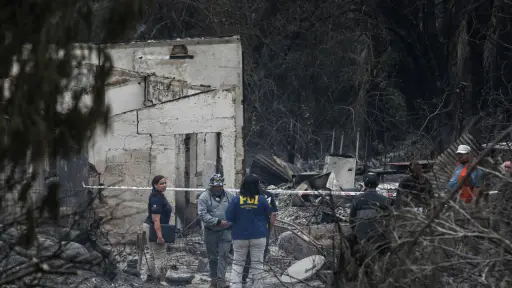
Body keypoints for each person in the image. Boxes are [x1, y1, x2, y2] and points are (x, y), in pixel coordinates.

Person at [226, 175, 271, 288]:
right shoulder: (262, 199)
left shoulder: (236, 200)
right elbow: (268, 214)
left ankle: (236, 286)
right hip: (259, 236)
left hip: (240, 236)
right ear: (257, 186)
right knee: (257, 265)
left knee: (238, 264)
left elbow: (229, 217)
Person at [197, 174, 234, 288]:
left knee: (223, 255)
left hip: (226, 231)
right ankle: (214, 279)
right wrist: (217, 221)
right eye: (215, 186)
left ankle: (221, 280)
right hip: (211, 231)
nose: (217, 188)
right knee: (213, 257)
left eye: (219, 186)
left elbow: (235, 210)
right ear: (211, 186)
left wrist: (231, 222)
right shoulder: (204, 197)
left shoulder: (230, 196)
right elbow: (202, 215)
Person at [349, 173, 391, 267]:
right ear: (377, 184)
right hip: (379, 237)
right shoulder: (384, 200)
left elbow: (352, 220)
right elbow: (389, 219)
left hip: (362, 237)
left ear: (364, 184)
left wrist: (356, 233)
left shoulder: (357, 199)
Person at [241, 184, 278, 286]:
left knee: (247, 255)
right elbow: (273, 215)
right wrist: (269, 230)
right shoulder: (268, 196)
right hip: (262, 231)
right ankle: (256, 281)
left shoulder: (244, 195)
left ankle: (243, 278)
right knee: (260, 257)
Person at [142, 175, 172, 285]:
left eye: (165, 183)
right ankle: (161, 280)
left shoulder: (158, 195)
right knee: (160, 254)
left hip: (150, 226)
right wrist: (159, 236)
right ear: (155, 185)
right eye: (161, 183)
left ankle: (150, 278)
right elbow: (156, 220)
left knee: (152, 254)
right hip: (154, 227)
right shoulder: (156, 198)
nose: (164, 185)